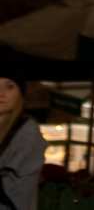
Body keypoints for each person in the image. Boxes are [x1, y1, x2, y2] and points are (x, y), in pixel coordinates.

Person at [0, 45, 46, 210]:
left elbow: (17, 194)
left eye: (9, 86)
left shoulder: (26, 130)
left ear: (19, 92)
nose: (1, 93)